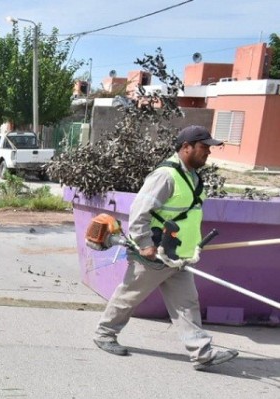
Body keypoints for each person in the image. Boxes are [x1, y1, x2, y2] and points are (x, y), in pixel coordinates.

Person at [93, 125, 239, 371]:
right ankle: (104, 334)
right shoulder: (165, 176)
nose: (208, 153)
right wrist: (145, 245)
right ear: (186, 148)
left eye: (209, 148)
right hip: (154, 253)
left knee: (187, 304)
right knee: (130, 295)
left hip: (177, 255)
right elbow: (139, 211)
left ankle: (202, 354)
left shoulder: (192, 176)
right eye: (204, 148)